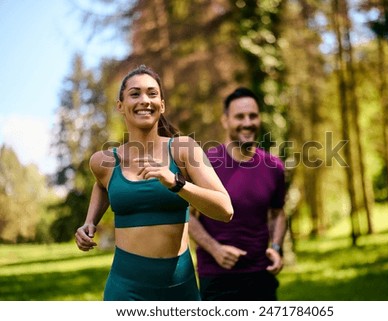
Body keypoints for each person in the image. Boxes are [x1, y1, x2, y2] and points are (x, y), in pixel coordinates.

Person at [74, 65, 233, 301]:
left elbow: (225, 209)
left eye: (152, 93)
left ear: (162, 104)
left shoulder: (183, 150)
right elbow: (102, 185)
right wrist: (90, 221)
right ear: (120, 106)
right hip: (126, 290)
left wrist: (177, 184)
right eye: (135, 94)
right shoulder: (104, 162)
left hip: (180, 289)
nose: (145, 100)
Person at [189, 87, 287, 301]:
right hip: (217, 278)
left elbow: (277, 213)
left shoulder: (274, 166)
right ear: (225, 121)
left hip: (262, 276)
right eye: (239, 116)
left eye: (253, 115)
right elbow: (188, 216)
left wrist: (277, 248)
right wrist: (215, 249)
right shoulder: (205, 164)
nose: (247, 122)